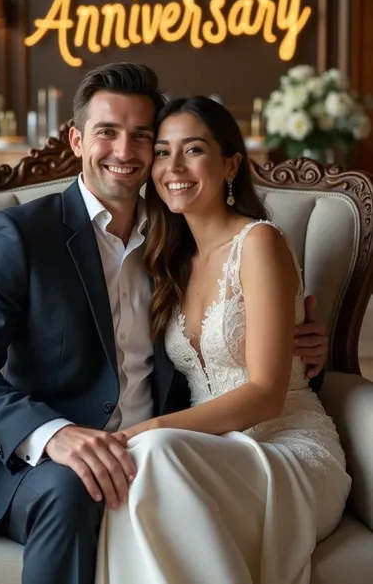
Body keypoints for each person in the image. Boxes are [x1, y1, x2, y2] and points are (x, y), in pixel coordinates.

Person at [0, 63, 330, 584]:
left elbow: (240, 359)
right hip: (54, 462)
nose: (125, 151)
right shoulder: (23, 234)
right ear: (77, 139)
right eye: (107, 132)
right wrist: (52, 435)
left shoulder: (177, 241)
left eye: (143, 137)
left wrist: (304, 350)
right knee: (73, 487)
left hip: (177, 449)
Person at [95, 95, 351, 584]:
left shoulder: (259, 243)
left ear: (231, 163)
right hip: (207, 458)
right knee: (136, 479)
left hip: (288, 450)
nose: (174, 167)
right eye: (164, 152)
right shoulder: (166, 262)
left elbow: (267, 393)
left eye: (193, 150)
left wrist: (147, 431)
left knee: (149, 455)